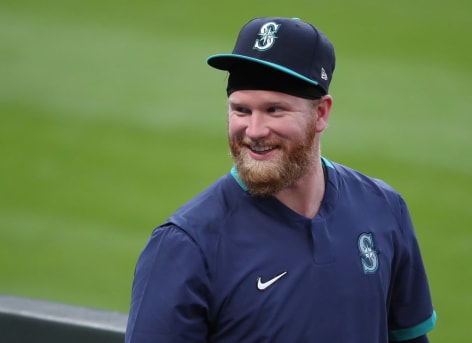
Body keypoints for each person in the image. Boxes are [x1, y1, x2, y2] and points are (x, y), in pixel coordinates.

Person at [126, 17, 436, 342]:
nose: (255, 131)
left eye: (275, 110)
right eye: (241, 110)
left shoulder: (383, 210)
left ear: (321, 114)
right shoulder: (184, 247)